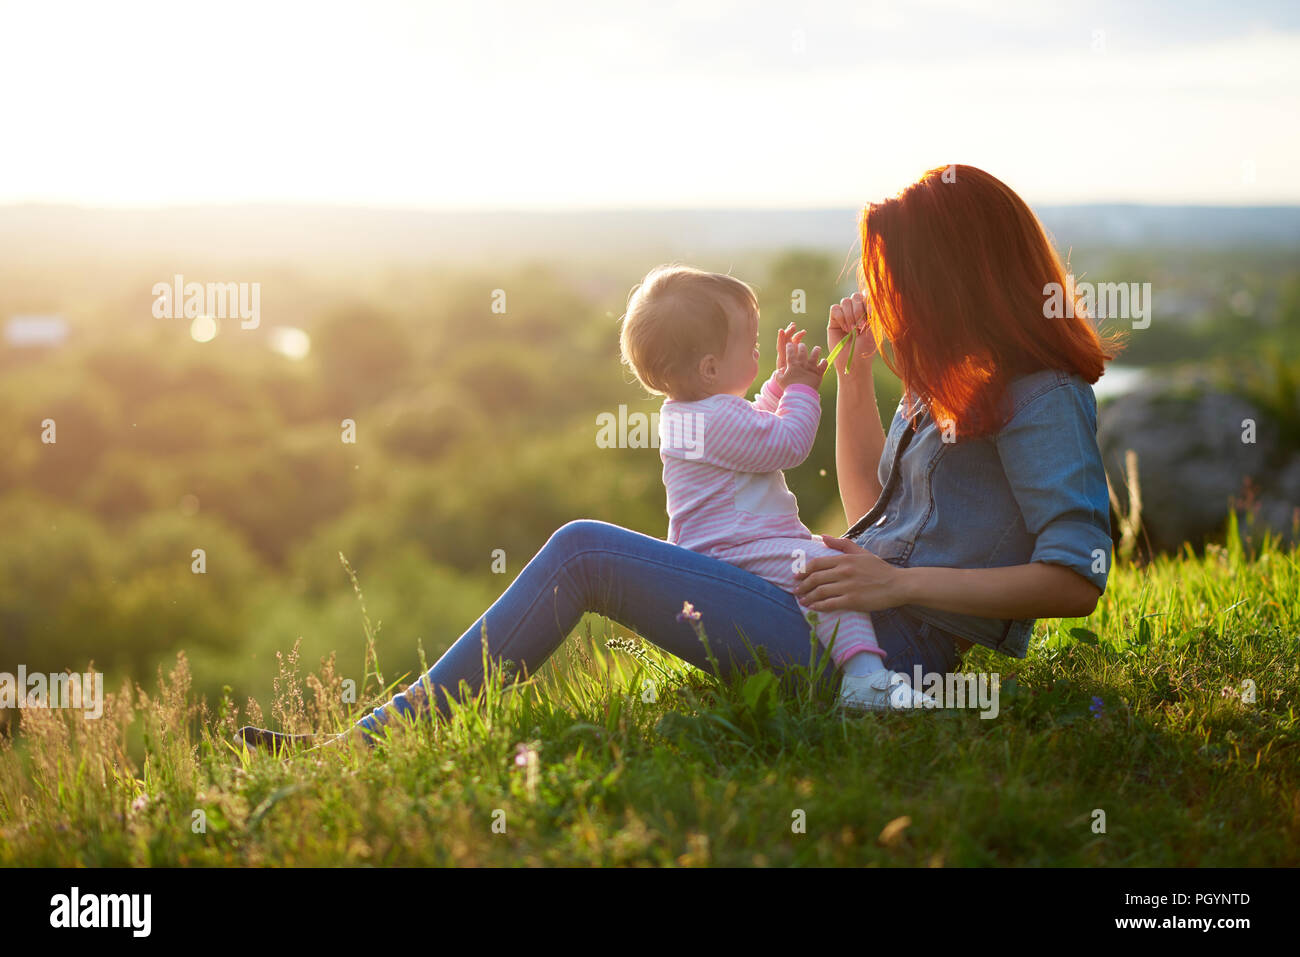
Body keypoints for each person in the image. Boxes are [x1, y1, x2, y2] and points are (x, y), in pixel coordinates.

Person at [236, 163, 1116, 754]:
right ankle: (370, 737)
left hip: (898, 653)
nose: (891, 300)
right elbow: (869, 517)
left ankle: (372, 742)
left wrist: (898, 588)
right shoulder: (946, 385)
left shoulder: (1042, 393)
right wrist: (855, 381)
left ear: (957, 275)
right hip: (843, 616)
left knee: (584, 548)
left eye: (902, 281)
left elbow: (1076, 577)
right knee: (588, 550)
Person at [620, 263, 929, 711]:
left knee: (819, 565)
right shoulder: (716, 419)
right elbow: (786, 443)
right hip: (732, 549)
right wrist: (803, 389)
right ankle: (866, 678)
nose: (758, 352)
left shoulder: (693, 415)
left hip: (719, 546)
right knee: (824, 569)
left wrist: (781, 384)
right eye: (750, 346)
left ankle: (850, 662)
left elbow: (753, 427)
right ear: (710, 368)